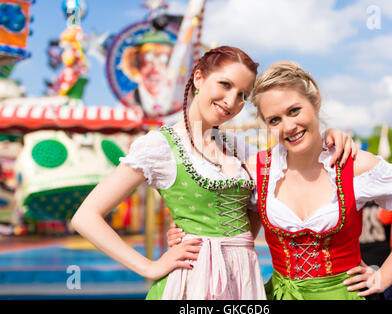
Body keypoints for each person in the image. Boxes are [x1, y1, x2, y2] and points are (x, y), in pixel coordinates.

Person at [71, 47, 355, 300]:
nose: (232, 101)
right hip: (193, 281)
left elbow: (286, 172)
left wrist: (329, 135)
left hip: (243, 279)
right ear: (198, 78)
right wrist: (150, 266)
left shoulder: (241, 149)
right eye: (225, 84)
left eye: (242, 95)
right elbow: (86, 217)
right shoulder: (160, 147)